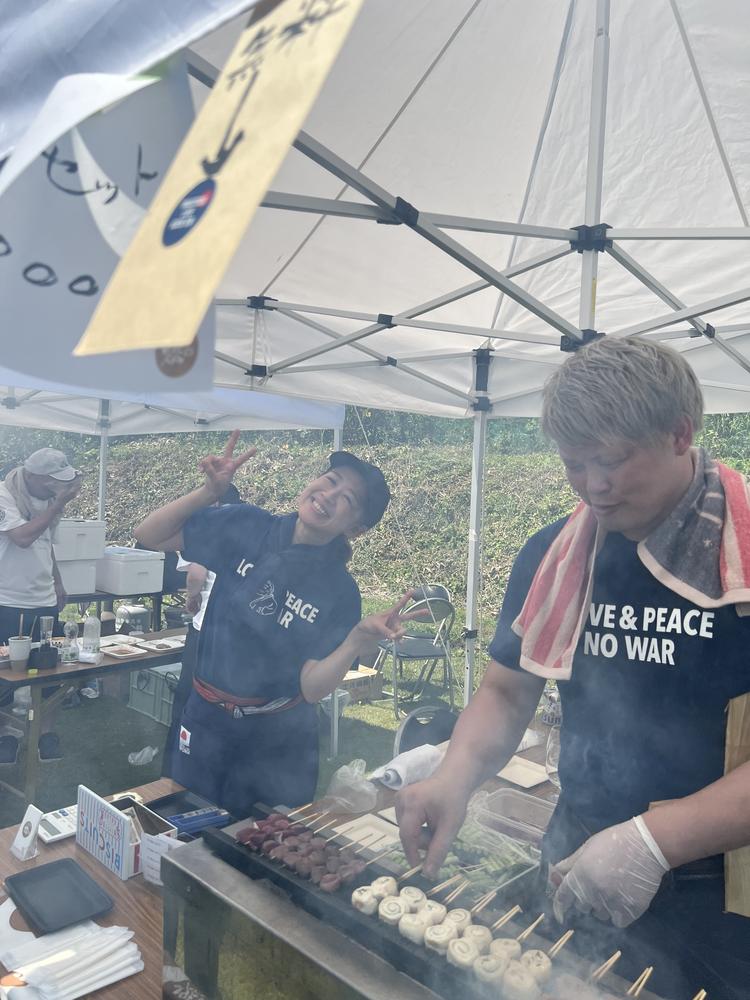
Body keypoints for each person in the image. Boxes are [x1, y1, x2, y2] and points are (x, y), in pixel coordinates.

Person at [396, 337, 750, 999]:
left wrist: (654, 841)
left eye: (612, 460)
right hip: (575, 853)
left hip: (721, 888)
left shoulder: (744, 555)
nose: (593, 486)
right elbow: (508, 688)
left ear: (680, 433)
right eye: (574, 463)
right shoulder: (557, 553)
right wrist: (454, 776)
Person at [135, 433, 419, 816]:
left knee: (259, 854)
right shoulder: (248, 525)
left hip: (277, 742)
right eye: (331, 481)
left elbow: (312, 687)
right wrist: (207, 492)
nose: (330, 496)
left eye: (348, 499)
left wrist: (355, 641)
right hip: (204, 717)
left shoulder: (340, 591)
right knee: (185, 828)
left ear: (355, 529)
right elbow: (148, 535)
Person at [0, 448, 82, 762]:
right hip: (9, 601)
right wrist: (59, 503)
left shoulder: (48, 500)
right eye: (52, 481)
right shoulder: (5, 494)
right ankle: (6, 737)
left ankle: (45, 734)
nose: (56, 487)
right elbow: (22, 537)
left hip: (44, 599)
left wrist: (57, 581)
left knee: (49, 670)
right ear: (33, 475)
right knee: (6, 675)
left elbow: (45, 543)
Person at [162, 482, 243, 778]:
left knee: (187, 703)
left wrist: (191, 598)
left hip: (205, 631)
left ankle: (175, 772)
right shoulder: (252, 534)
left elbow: (196, 573)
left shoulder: (207, 531)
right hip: (236, 638)